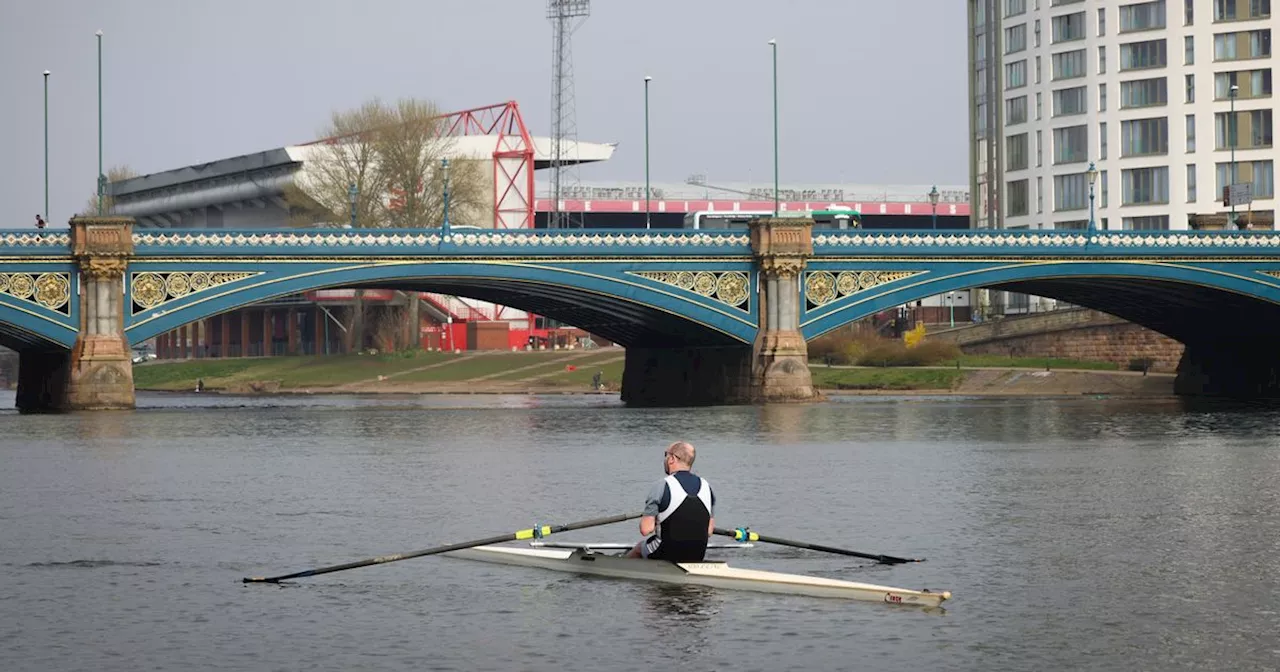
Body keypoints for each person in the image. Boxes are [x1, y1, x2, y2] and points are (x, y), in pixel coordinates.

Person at [626, 441, 715, 562]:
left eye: (665, 455)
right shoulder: (707, 486)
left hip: (665, 552)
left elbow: (645, 529)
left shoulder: (661, 485)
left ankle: (619, 568)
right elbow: (709, 531)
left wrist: (656, 519)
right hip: (698, 553)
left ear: (672, 459)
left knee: (638, 548)